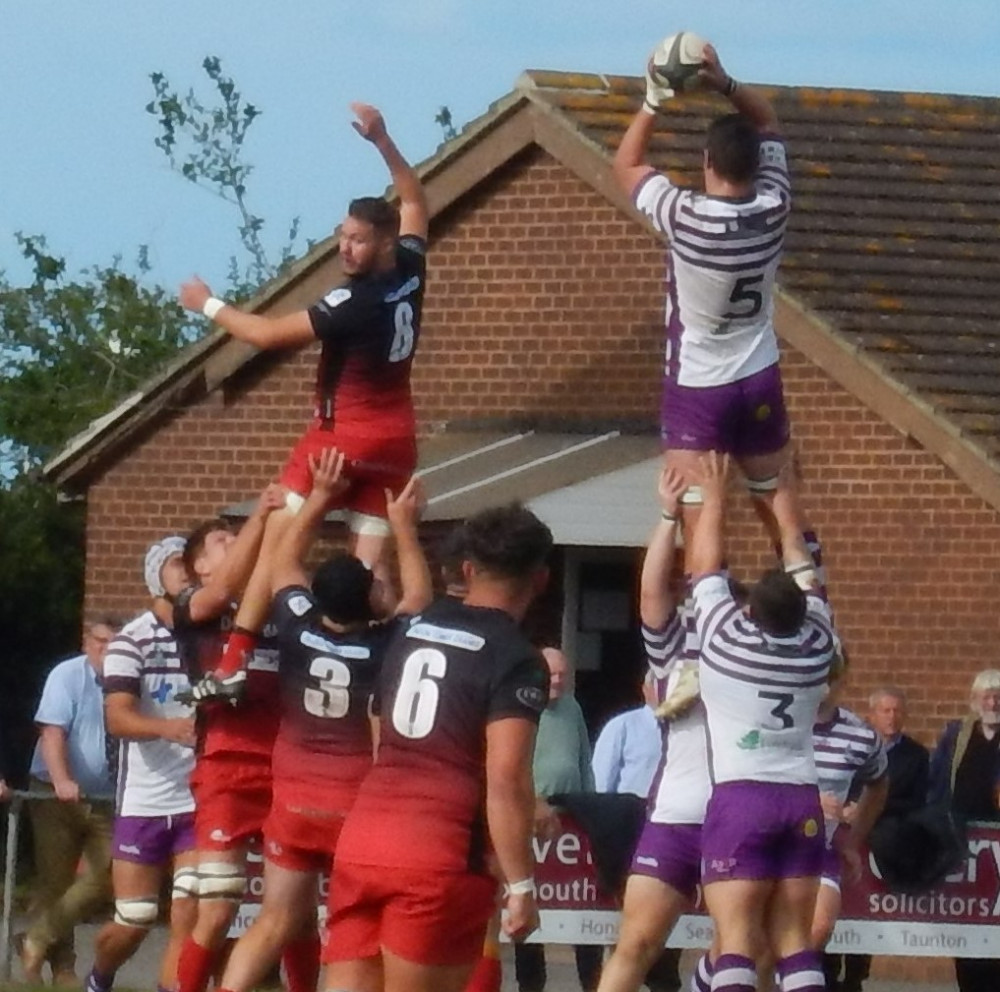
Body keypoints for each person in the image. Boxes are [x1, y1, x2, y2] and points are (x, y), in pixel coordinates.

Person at [178, 101, 429, 704]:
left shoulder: (356, 301)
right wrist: (385, 141)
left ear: (382, 241)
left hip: (344, 438)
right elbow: (415, 198)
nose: (346, 249)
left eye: (358, 240)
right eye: (342, 237)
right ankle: (381, 666)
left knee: (279, 538)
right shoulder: (413, 265)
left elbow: (265, 337)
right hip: (397, 443)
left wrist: (207, 305)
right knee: (371, 568)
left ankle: (234, 659)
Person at [215, 449, 433, 992]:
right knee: (348, 929)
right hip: (351, 804)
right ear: (369, 600)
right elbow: (420, 598)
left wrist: (319, 497)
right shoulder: (385, 644)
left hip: (291, 799)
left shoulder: (297, 626)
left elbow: (285, 560)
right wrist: (403, 529)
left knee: (272, 922)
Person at [323, 502, 553, 992]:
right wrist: (522, 885)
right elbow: (506, 776)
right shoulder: (516, 657)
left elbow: (377, 722)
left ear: (467, 570)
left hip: (363, 841)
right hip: (437, 854)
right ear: (541, 580)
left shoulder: (411, 628)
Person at [612, 40, 793, 524]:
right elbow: (768, 121)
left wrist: (654, 98)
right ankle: (810, 595)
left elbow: (626, 165)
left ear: (707, 162)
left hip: (699, 383)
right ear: (759, 164)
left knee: (698, 516)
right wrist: (726, 83)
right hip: (758, 374)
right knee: (779, 502)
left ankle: (703, 596)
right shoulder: (776, 205)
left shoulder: (686, 217)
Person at [687, 452, 836, 992]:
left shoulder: (728, 643)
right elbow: (803, 563)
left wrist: (716, 498)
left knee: (738, 941)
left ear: (751, 611)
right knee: (795, 941)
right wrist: (784, 499)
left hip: (742, 797)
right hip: (801, 797)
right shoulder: (819, 643)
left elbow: (706, 569)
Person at [171, 484, 289, 992]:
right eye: (220, 539)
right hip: (226, 762)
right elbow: (221, 593)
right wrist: (261, 517)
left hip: (287, 762)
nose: (232, 539)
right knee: (218, 908)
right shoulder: (193, 603)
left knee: (297, 912)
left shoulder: (279, 603)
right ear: (198, 564)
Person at [595, 467, 703, 992]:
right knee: (635, 942)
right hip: (678, 810)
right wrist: (667, 516)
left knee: (746, 947)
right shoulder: (676, 656)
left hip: (742, 810)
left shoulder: (760, 651)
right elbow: (652, 596)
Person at [85, 538, 199, 992]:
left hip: (197, 797)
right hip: (144, 800)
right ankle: (100, 978)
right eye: (177, 563)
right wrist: (167, 729)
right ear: (155, 576)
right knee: (135, 920)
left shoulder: (209, 638)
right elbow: (118, 717)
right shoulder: (132, 640)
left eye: (192, 561)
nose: (188, 571)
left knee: (191, 908)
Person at [21, 618, 120, 986]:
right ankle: (59, 968)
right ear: (87, 642)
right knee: (55, 882)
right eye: (101, 641)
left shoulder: (128, 681)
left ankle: (35, 938)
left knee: (104, 877)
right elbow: (52, 732)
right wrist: (62, 780)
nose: (107, 650)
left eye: (115, 644)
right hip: (53, 792)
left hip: (105, 797)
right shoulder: (67, 676)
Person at [827, 687, 929, 992]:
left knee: (864, 911)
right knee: (832, 907)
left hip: (879, 843)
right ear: (872, 714)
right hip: (837, 838)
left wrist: (871, 809)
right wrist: (845, 807)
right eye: (886, 710)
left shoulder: (916, 756)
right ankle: (826, 972)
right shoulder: (854, 747)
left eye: (898, 711)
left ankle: (856, 976)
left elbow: (917, 802)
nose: (892, 717)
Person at [516, 646, 601, 992]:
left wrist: (592, 809)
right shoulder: (519, 705)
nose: (558, 680)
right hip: (530, 817)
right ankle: (530, 984)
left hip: (573, 818)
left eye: (563, 675)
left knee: (584, 907)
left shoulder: (572, 707)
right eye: (552, 674)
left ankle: (592, 983)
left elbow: (584, 760)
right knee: (530, 904)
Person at [809, 657, 888, 987]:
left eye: (833, 676)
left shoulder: (860, 734)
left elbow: (880, 782)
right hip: (768, 842)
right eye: (818, 675)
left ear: (843, 681)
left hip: (820, 848)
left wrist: (854, 841)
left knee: (819, 928)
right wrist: (807, 803)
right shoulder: (778, 725)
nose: (825, 684)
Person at [928, 669, 1000, 992]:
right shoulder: (956, 734)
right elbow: (938, 779)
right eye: (986, 695)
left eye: (998, 696)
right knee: (967, 926)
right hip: (963, 843)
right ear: (974, 701)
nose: (993, 702)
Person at [591, 672, 662, 798]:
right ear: (646, 690)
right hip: (632, 810)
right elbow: (601, 781)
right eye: (661, 686)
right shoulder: (622, 726)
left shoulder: (686, 729)